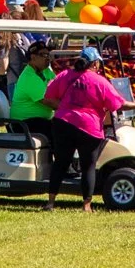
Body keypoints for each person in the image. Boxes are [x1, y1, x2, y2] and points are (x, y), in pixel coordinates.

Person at [41, 49, 124, 211]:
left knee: (60, 163)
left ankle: (50, 202)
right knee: (88, 166)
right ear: (95, 63)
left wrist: (68, 107)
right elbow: (117, 104)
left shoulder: (64, 75)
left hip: (63, 123)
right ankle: (86, 205)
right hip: (88, 127)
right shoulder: (100, 81)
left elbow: (49, 96)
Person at [9, 42, 56, 124]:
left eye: (48, 55)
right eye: (44, 55)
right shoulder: (29, 77)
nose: (48, 58)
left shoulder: (46, 71)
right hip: (25, 123)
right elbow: (50, 102)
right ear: (33, 57)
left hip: (39, 120)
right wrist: (71, 108)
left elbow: (59, 86)